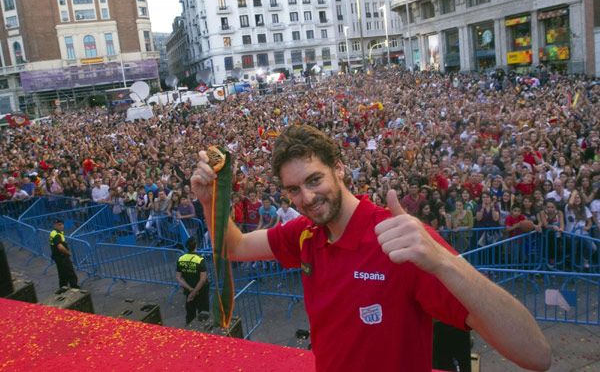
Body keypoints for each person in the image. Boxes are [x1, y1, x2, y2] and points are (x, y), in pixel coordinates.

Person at [191, 125, 550, 371]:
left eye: (314, 180)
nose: (307, 197)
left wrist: (443, 260)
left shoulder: (400, 239)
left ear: (340, 169)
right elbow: (235, 246)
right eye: (293, 189)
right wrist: (211, 202)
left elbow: (537, 355)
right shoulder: (305, 234)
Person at [175, 237, 209, 325]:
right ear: (196, 246)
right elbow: (203, 279)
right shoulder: (199, 260)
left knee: (190, 314)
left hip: (188, 292)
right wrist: (194, 292)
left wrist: (190, 289)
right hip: (201, 292)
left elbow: (178, 277)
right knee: (203, 314)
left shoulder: (181, 259)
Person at [49, 219, 79, 289]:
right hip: (62, 257)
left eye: (62, 224)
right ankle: (74, 288)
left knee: (63, 275)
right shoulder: (56, 235)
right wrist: (68, 253)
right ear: (55, 225)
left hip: (58, 257)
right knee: (71, 273)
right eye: (59, 225)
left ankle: (63, 289)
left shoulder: (54, 232)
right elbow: (60, 247)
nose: (61, 226)